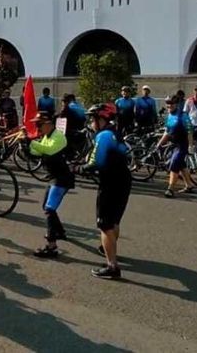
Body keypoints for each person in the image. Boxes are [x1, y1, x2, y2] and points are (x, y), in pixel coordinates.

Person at [77, 103, 132, 280]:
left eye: (93, 119)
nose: (91, 123)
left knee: (104, 224)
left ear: (101, 119)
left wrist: (79, 169)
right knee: (114, 220)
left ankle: (112, 266)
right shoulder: (116, 132)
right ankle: (108, 248)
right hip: (123, 179)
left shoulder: (103, 136)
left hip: (111, 183)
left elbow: (96, 162)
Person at [28, 111, 74, 259]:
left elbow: (49, 150)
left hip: (62, 178)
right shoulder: (46, 136)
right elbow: (36, 151)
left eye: (39, 124)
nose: (37, 127)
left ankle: (51, 247)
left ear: (48, 123)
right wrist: (25, 145)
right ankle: (59, 232)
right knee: (46, 207)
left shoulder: (58, 137)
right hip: (53, 177)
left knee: (49, 209)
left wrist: (31, 141)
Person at [157, 94, 196, 198]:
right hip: (174, 144)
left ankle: (170, 189)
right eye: (167, 104)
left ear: (177, 104)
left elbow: (189, 131)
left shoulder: (183, 115)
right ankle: (189, 185)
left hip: (183, 144)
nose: (169, 106)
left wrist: (190, 146)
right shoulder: (169, 116)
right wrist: (159, 144)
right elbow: (167, 132)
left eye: (171, 104)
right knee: (181, 165)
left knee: (174, 164)